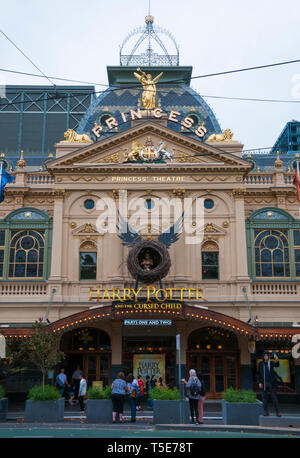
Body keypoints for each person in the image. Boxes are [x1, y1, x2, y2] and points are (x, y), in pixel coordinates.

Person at [258, 352, 281, 417]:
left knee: (274, 397)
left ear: (268, 357)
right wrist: (259, 382)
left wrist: (277, 359)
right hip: (264, 383)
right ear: (263, 357)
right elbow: (259, 373)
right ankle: (266, 412)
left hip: (271, 383)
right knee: (264, 398)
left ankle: (277, 412)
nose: (265, 357)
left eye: (267, 356)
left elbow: (277, 365)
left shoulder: (271, 363)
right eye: (264, 356)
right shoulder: (261, 364)